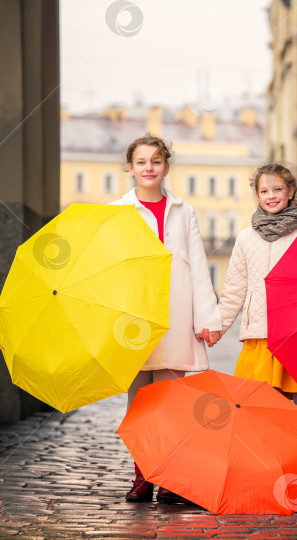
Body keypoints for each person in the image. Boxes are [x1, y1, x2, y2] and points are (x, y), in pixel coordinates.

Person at [110, 134, 222, 505]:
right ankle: (143, 476)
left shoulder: (184, 211)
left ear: (166, 168)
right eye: (141, 162)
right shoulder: (118, 211)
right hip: (134, 321)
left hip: (176, 317)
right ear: (130, 168)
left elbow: (198, 267)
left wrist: (207, 318)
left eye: (156, 162)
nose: (148, 168)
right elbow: (109, 270)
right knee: (140, 404)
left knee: (172, 405)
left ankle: (171, 478)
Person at [215, 163, 297, 506]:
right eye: (264, 191)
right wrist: (218, 326)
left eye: (278, 189)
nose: (271, 196)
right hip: (257, 336)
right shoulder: (246, 238)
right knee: (255, 409)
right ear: (257, 195)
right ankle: (266, 475)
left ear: (291, 192)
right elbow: (234, 288)